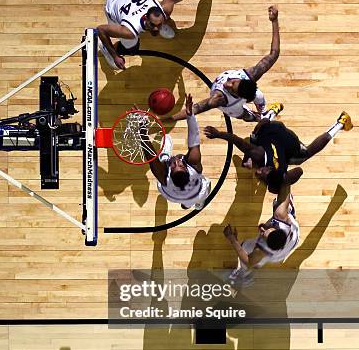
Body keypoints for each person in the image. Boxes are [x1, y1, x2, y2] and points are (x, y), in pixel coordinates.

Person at [170, 5, 282, 122]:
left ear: (238, 95)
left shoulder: (219, 99)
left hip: (232, 107)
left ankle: (263, 116)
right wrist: (274, 21)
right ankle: (263, 115)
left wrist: (169, 119)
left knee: (245, 114)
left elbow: (196, 108)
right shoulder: (250, 74)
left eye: (231, 88)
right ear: (243, 80)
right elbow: (274, 54)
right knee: (257, 99)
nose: (227, 84)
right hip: (244, 96)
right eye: (233, 82)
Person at [204, 112, 353, 192]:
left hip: (284, 139)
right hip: (274, 130)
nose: (260, 171)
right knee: (256, 134)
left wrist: (285, 179)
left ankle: (341, 123)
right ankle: (271, 113)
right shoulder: (259, 156)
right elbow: (236, 140)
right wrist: (218, 134)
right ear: (269, 169)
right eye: (263, 171)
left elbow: (299, 171)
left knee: (305, 153)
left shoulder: (279, 173)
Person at [97, 0, 196, 69]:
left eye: (159, 25)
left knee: (174, 1)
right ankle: (105, 48)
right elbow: (101, 29)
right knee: (131, 48)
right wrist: (115, 56)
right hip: (113, 3)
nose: (156, 29)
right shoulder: (129, 31)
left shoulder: (165, 9)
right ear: (145, 18)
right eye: (153, 24)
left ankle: (158, 23)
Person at [223, 183, 299, 286]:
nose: (262, 229)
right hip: (292, 240)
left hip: (279, 251)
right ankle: (290, 208)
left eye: (263, 233)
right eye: (266, 231)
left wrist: (232, 239)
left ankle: (244, 276)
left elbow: (249, 262)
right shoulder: (281, 217)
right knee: (282, 203)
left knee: (245, 247)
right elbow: (286, 182)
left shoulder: (262, 250)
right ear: (277, 229)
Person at [147, 95, 211, 209]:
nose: (176, 161)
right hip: (197, 191)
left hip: (172, 195)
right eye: (180, 164)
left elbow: (151, 157)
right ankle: (196, 204)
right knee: (203, 191)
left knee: (162, 160)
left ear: (170, 174)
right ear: (187, 169)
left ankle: (165, 154)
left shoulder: (164, 179)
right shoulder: (194, 166)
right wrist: (190, 115)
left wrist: (142, 134)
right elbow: (194, 138)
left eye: (173, 165)